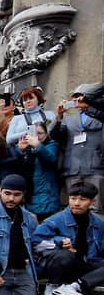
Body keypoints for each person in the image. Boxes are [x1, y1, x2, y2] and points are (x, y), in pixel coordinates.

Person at [33, 182, 104, 295]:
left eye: (83, 199)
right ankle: (53, 285)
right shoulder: (54, 220)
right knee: (66, 254)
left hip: (85, 265)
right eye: (73, 198)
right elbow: (35, 244)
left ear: (92, 202)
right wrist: (58, 242)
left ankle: (76, 286)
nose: (76, 203)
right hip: (59, 268)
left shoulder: (99, 223)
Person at [51, 84, 104, 212]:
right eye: (75, 97)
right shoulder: (69, 120)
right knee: (74, 208)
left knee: (95, 207)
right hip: (73, 168)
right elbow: (55, 135)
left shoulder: (100, 116)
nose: (78, 100)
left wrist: (90, 107)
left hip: (95, 167)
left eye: (81, 97)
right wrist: (59, 116)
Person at [9, 121, 61, 220]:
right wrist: (20, 150)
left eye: (40, 133)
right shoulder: (27, 149)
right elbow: (14, 165)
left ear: (47, 134)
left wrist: (38, 146)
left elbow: (51, 158)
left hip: (46, 195)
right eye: (34, 133)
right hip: (29, 195)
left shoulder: (51, 145)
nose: (37, 136)